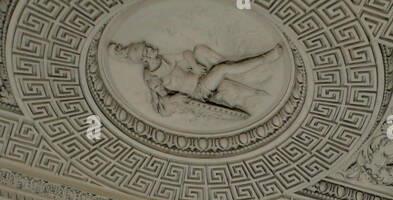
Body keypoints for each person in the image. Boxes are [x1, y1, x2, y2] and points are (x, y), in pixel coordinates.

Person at [107, 39, 283, 120]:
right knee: (223, 69)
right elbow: (161, 104)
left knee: (218, 64)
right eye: (148, 50)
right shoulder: (152, 76)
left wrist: (193, 64)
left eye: (148, 46)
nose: (152, 47)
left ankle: (256, 69)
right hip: (198, 92)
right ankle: (266, 58)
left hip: (201, 79)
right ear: (145, 59)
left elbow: (185, 53)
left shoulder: (165, 59)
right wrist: (174, 99)